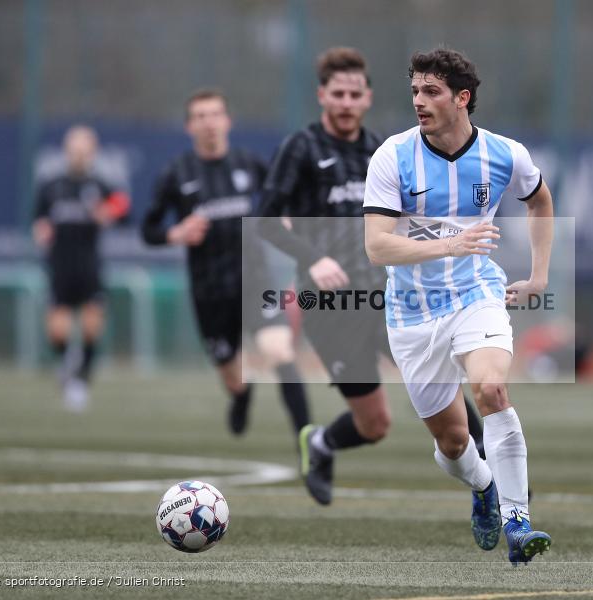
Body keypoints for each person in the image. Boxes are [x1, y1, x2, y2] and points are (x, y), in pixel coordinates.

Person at [258, 47, 488, 506]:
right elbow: (265, 221)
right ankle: (320, 443)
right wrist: (313, 259)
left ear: (367, 98)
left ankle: (498, 479)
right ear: (322, 96)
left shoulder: (384, 151)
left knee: (447, 387)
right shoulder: (300, 149)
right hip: (330, 307)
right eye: (337, 94)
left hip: (390, 298)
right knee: (374, 424)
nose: (346, 102)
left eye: (354, 94)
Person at [363, 48, 554, 565]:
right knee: (452, 443)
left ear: (462, 98)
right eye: (415, 91)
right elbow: (377, 246)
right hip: (411, 312)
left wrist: (539, 275)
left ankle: (518, 522)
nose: (419, 101)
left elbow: (539, 199)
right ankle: (484, 485)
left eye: (432, 92)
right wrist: (449, 244)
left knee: (491, 389)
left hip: (477, 294)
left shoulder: (504, 154)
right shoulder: (392, 156)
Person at [141, 89, 310, 439]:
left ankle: (310, 444)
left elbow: (284, 195)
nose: (209, 123)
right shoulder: (177, 174)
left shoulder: (249, 164)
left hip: (256, 281)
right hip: (210, 291)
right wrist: (176, 233)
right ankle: (242, 394)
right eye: (200, 116)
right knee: (232, 376)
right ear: (189, 126)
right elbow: (148, 229)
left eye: (215, 114)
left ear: (227, 121)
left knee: (280, 351)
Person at [33, 125, 130, 411]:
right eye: (74, 149)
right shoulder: (51, 186)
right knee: (58, 331)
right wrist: (41, 230)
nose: (79, 154)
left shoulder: (99, 185)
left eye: (84, 150)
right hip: (59, 265)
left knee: (91, 327)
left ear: (93, 152)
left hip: (89, 265)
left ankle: (80, 381)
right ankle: (67, 361)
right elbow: (39, 219)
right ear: (66, 151)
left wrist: (109, 213)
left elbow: (123, 209)